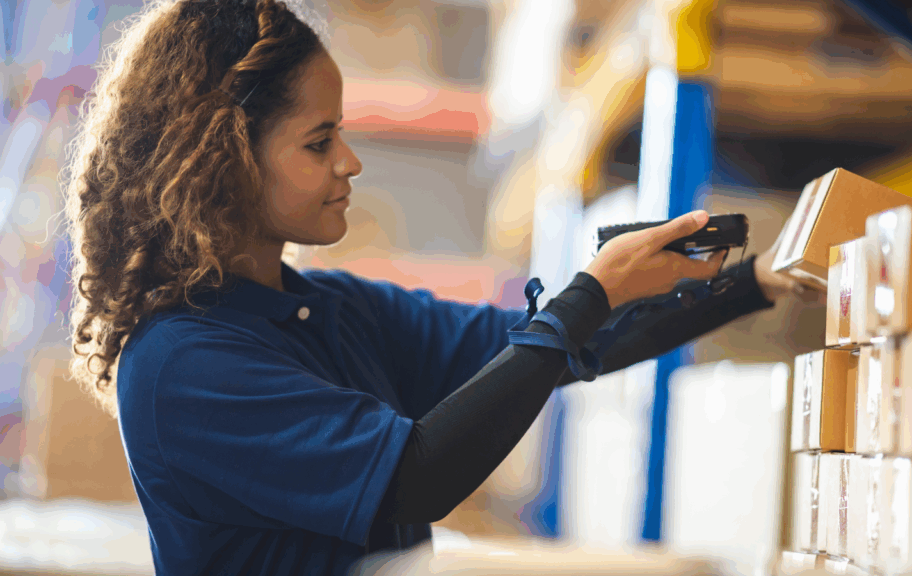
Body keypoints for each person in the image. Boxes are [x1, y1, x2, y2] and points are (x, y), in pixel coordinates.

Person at [60, 0, 813, 574]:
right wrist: (588, 295)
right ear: (223, 158)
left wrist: (754, 282)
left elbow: (546, 346)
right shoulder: (183, 366)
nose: (351, 162)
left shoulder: (330, 310)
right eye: (320, 141)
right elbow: (413, 480)